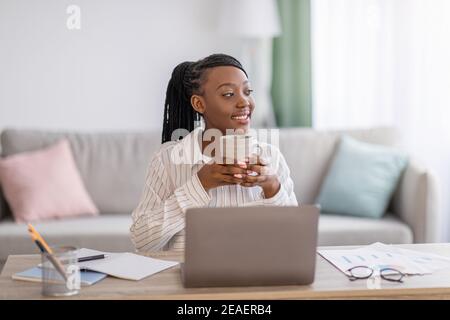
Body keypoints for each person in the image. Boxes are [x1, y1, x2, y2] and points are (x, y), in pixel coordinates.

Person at [130, 53, 298, 252]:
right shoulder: (168, 159)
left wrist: (272, 186)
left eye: (247, 91)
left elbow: (295, 240)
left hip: (257, 276)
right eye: (228, 94)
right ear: (199, 104)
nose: (245, 102)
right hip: (188, 277)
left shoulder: (271, 157)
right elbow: (142, 241)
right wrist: (199, 185)